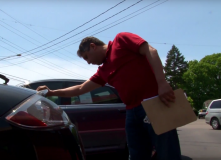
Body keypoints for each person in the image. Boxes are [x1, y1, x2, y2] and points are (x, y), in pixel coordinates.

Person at [36, 32, 182, 160]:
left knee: (167, 152)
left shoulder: (121, 39)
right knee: (137, 155)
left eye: (87, 57)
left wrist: (162, 83)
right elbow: (81, 88)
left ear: (93, 46)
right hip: (132, 112)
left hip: (154, 102)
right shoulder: (103, 70)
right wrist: (52, 92)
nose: (88, 62)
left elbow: (151, 51)